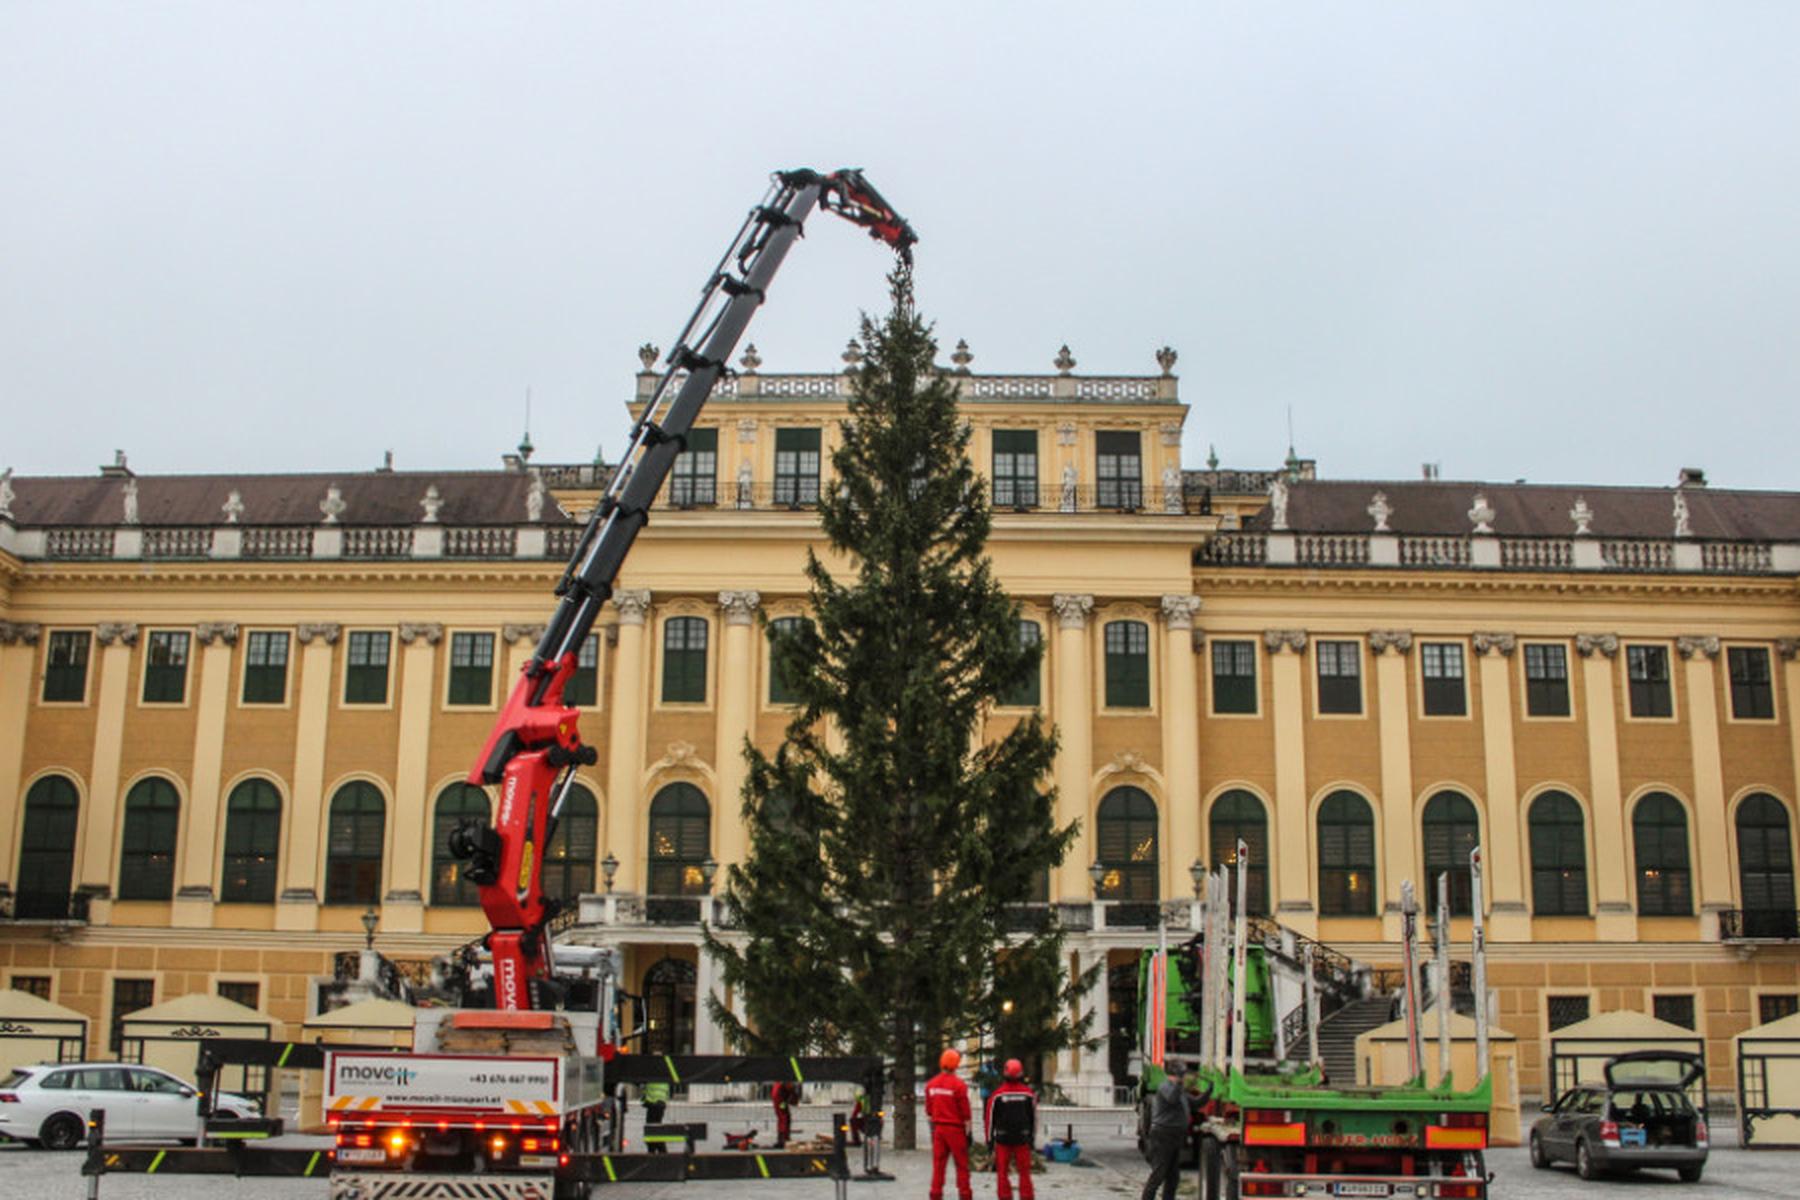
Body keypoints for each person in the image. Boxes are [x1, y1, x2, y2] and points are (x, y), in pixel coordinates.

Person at [984, 1059, 1038, 1200]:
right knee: (1024, 1173)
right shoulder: (1028, 1094)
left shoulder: (997, 1095)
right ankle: (1026, 1196)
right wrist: (1032, 1138)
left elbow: (989, 1120)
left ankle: (1005, 1197)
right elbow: (1033, 1118)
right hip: (1022, 1138)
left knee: (1002, 1173)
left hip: (1003, 1139)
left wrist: (989, 1141)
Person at [924, 1048, 973, 1200]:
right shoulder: (959, 1086)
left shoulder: (931, 1085)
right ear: (956, 1065)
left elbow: (929, 1110)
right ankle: (964, 1194)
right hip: (956, 1130)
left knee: (938, 1165)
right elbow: (966, 1113)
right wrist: (969, 1133)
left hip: (938, 1129)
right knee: (962, 1166)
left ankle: (935, 1194)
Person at [1141, 1060, 1194, 1200]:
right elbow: (1172, 1099)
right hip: (1163, 1135)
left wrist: (1208, 1092)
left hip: (1174, 1136)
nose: (1183, 1077)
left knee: (1173, 1177)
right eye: (1181, 1074)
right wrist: (1180, 1084)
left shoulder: (1178, 1089)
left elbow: (1195, 1102)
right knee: (1159, 1173)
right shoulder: (1165, 1086)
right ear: (1175, 1074)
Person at [642, 1079, 670, 1154]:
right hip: (660, 1103)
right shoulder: (661, 1076)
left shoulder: (652, 1074)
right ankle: (655, 1150)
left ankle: (660, 1151)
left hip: (653, 1104)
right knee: (654, 1128)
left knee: (652, 1130)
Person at [772, 1080, 796, 1148]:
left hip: (779, 1094)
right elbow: (789, 1086)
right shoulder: (784, 1086)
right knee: (784, 1117)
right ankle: (783, 1139)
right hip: (779, 1096)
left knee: (783, 1116)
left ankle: (783, 1138)